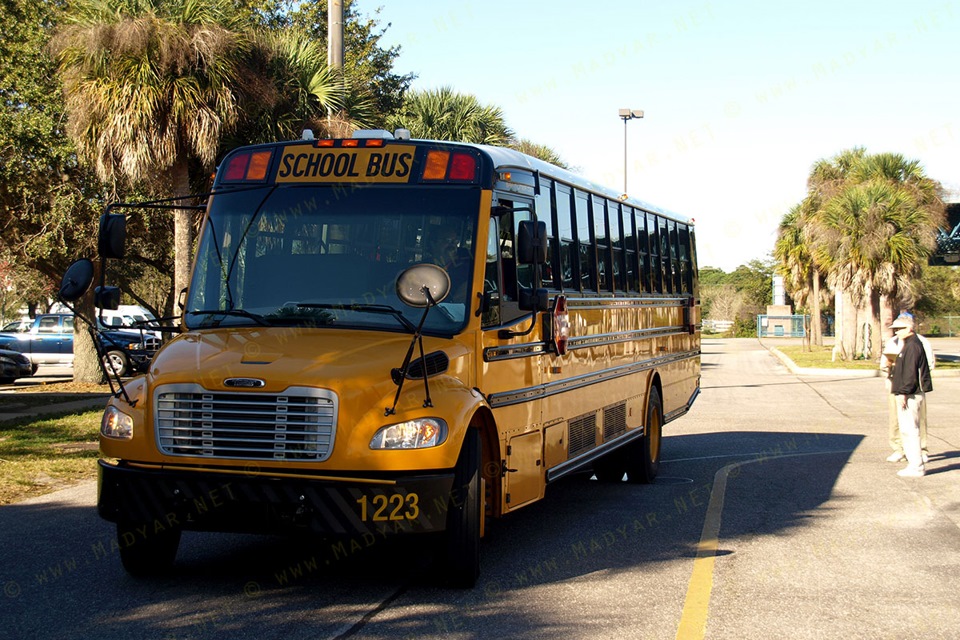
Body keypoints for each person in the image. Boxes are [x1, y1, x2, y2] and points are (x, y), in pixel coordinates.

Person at [880, 312, 934, 463]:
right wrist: (890, 366)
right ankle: (899, 448)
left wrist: (908, 387)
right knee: (896, 420)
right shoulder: (893, 342)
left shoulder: (919, 343)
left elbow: (925, 365)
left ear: (910, 327)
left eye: (900, 328)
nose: (897, 331)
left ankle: (920, 451)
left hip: (913, 387)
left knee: (917, 421)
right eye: (895, 329)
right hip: (895, 383)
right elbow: (884, 363)